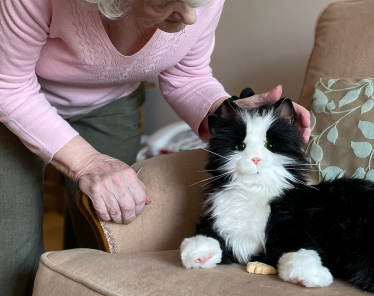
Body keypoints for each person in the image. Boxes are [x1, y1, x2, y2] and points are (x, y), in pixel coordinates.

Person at [0, 0, 311, 294]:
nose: (190, 17)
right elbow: (8, 85)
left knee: (101, 235)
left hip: (111, 102)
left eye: (195, 3)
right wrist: (87, 162)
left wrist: (229, 113)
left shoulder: (200, 4)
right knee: (10, 248)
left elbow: (187, 75)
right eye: (166, 1)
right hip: (12, 102)